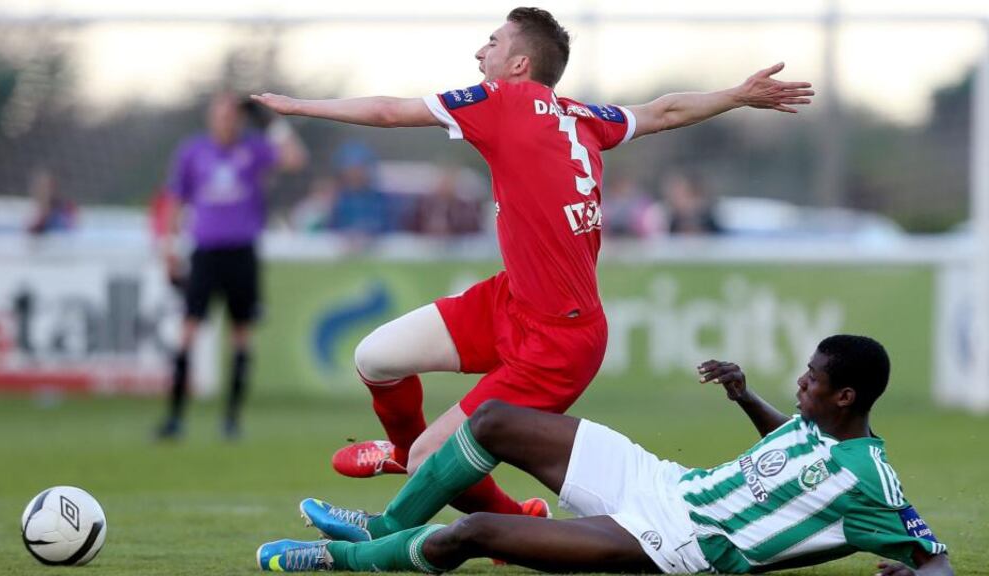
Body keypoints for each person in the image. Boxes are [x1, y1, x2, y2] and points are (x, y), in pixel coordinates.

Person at [252, 6, 813, 517]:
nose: (480, 51)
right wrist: (737, 95)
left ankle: (505, 516)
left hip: (557, 345)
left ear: (519, 64)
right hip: (512, 301)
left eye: (493, 42)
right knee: (375, 358)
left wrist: (299, 106)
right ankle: (405, 451)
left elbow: (389, 111)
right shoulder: (583, 115)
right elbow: (664, 111)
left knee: (433, 463)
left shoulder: (499, 100)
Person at [257, 335, 953, 575]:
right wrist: (745, 397)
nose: (800, 383)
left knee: (472, 532)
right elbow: (785, 447)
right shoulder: (814, 425)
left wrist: (910, 564)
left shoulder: (869, 477)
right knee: (494, 419)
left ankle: (342, 560)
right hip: (663, 481)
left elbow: (935, 557)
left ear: (846, 397)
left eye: (812, 379)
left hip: (675, 540)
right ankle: (386, 528)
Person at [156, 92, 308, 440]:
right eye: (221, 115)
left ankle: (231, 419)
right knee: (189, 329)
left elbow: (296, 159)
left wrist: (272, 123)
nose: (226, 122)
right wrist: (169, 247)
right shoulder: (193, 151)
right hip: (205, 252)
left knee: (241, 334)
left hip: (242, 251)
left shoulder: (253, 148)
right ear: (211, 118)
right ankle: (175, 418)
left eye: (232, 116)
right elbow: (175, 200)